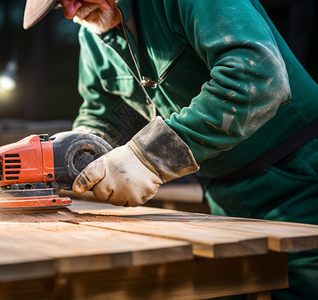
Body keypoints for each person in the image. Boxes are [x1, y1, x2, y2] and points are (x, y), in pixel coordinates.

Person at [22, 0, 318, 299]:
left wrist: (150, 158)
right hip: (224, 194)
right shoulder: (93, 34)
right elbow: (106, 113)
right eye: (61, 6)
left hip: (301, 174)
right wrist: (78, 152)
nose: (72, 13)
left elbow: (256, 78)